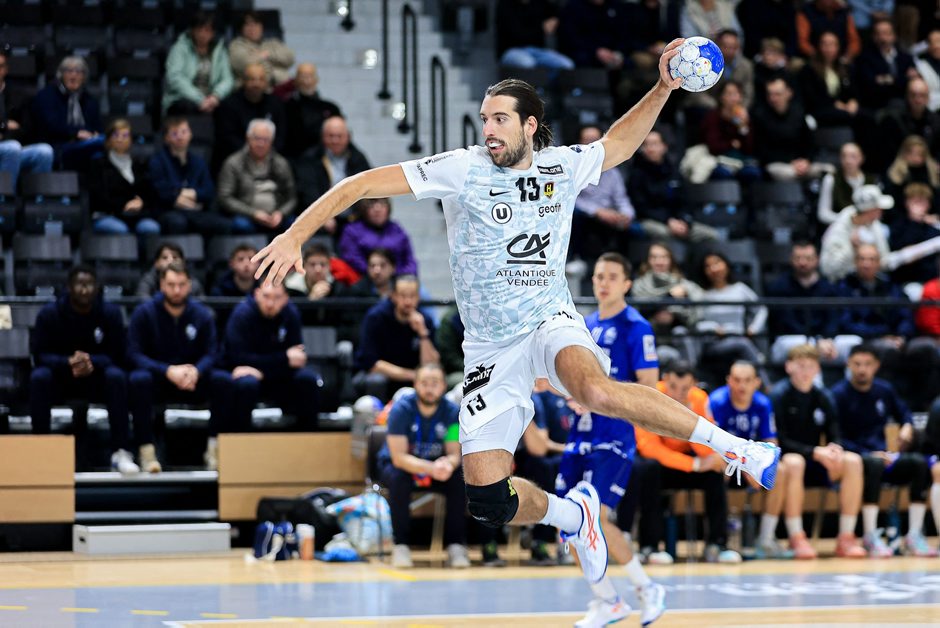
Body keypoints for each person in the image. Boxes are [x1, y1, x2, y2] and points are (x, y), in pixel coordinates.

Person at [252, 53, 782, 599]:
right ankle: (573, 516)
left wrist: (663, 86)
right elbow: (359, 185)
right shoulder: (461, 168)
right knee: (488, 500)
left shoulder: (561, 166)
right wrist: (294, 235)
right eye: (484, 119)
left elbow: (619, 144)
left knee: (594, 390)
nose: (489, 129)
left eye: (500, 119)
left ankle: (737, 447)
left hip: (549, 317)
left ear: (530, 125)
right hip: (489, 347)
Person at [556, 253, 666, 627]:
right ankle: (607, 600)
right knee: (569, 522)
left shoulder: (636, 327)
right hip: (580, 432)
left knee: (597, 518)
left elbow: (648, 385)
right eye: (599, 276)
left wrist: (601, 396)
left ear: (627, 284)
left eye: (612, 276)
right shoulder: (584, 324)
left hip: (614, 434)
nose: (603, 283)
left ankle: (646, 588)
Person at [29, 266, 140, 474]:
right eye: (79, 284)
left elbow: (119, 354)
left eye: (89, 284)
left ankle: (121, 452)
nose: (84, 289)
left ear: (97, 287)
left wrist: (91, 362)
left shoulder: (110, 313)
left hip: (96, 378)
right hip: (62, 377)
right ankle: (40, 448)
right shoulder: (50, 313)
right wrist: (68, 362)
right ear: (69, 287)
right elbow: (40, 354)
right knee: (39, 378)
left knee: (117, 377)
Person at [829, 344, 937, 557]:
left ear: (876, 366)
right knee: (874, 464)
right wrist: (867, 454)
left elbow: (904, 413)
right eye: (857, 364)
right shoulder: (838, 394)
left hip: (884, 456)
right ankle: (870, 534)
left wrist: (907, 426)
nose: (862, 369)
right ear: (848, 364)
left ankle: (914, 534)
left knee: (919, 463)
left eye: (867, 364)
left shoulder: (884, 390)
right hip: (855, 459)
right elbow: (837, 438)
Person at [127, 262, 232, 471]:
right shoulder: (144, 313)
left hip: (192, 380)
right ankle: (146, 452)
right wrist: (167, 371)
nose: (176, 290)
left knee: (222, 380)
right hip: (159, 378)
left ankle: (214, 450)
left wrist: (197, 371)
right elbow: (133, 354)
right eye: (171, 285)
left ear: (189, 285)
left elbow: (213, 353)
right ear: (161, 285)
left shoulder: (202, 314)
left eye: (181, 285)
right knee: (138, 380)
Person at [632, 359, 737, 563]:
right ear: (664, 380)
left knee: (715, 470)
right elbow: (649, 449)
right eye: (673, 387)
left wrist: (690, 422)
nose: (677, 394)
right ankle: (649, 547)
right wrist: (695, 465)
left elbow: (707, 447)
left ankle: (717, 544)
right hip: (660, 465)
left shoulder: (699, 399)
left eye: (685, 388)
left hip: (686, 461)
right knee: (648, 469)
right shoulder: (650, 396)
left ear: (694, 384)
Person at [769, 344, 867, 558]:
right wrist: (814, 452)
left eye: (810, 366)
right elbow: (780, 441)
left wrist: (834, 448)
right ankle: (796, 537)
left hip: (817, 460)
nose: (805, 372)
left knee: (853, 461)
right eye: (801, 366)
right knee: (794, 462)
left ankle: (846, 537)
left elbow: (834, 432)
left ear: (817, 370)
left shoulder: (823, 396)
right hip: (792, 461)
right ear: (789, 367)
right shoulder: (779, 395)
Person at [377, 363, 469, 569]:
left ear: (443, 386)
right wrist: (430, 468)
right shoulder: (401, 410)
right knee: (399, 478)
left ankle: (456, 546)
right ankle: (401, 545)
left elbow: (454, 453)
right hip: (402, 466)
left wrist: (448, 464)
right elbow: (399, 457)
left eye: (434, 383)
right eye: (424, 383)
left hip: (437, 468)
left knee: (458, 479)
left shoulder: (452, 412)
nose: (429, 389)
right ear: (415, 385)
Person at [710, 361, 799, 560]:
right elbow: (712, 444)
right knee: (715, 469)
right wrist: (744, 467)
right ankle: (719, 541)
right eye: (737, 380)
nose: (742, 386)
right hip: (725, 462)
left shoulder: (763, 404)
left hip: (750, 462)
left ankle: (766, 538)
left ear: (756, 382)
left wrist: (755, 466)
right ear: (728, 381)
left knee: (779, 470)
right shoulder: (717, 402)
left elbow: (771, 443)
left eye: (747, 380)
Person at [224, 281, 321, 432]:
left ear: (286, 298)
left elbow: (297, 358)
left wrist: (263, 370)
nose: (270, 303)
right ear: (256, 294)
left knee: (307, 379)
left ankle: (305, 437)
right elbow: (237, 358)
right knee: (246, 384)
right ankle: (240, 439)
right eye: (266, 296)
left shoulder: (291, 313)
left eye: (277, 297)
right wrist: (283, 359)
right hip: (252, 375)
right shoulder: (242, 314)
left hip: (275, 374)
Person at [765, 241, 854, 365]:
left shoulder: (828, 287)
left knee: (854, 343)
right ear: (791, 259)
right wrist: (816, 342)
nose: (803, 263)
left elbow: (833, 319)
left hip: (825, 341)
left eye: (808, 258)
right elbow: (786, 323)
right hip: (793, 339)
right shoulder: (779, 287)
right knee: (792, 344)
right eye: (798, 258)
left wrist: (827, 339)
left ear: (817, 260)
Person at [353, 274, 439, 402]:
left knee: (432, 379)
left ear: (418, 297)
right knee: (376, 380)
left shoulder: (425, 320)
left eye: (412, 296)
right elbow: (372, 364)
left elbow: (430, 365)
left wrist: (423, 334)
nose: (408, 301)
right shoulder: (376, 317)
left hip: (413, 379)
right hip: (381, 377)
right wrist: (413, 375)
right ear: (393, 296)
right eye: (403, 296)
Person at [628, 130, 719, 246]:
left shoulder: (673, 171)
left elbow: (685, 201)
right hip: (651, 221)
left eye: (654, 144)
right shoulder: (636, 174)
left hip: (678, 221)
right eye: (646, 145)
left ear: (664, 146)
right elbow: (641, 207)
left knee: (711, 235)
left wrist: (684, 221)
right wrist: (668, 220)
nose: (650, 148)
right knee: (664, 234)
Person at [148, 116, 232, 237]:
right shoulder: (158, 161)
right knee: (177, 222)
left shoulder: (198, 161)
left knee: (223, 224)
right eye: (175, 133)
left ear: (190, 134)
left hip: (195, 211)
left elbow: (208, 191)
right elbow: (161, 191)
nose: (180, 137)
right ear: (166, 138)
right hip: (168, 211)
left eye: (184, 132)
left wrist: (185, 194)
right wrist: (183, 197)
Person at [570, 125, 638, 263]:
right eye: (587, 141)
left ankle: (623, 266)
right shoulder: (571, 169)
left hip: (611, 217)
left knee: (633, 229)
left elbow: (621, 199)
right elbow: (571, 199)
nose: (591, 145)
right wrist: (597, 211)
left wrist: (626, 214)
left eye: (595, 141)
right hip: (586, 216)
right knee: (577, 216)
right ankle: (577, 260)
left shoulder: (613, 172)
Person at [217, 118, 296, 234]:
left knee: (296, 224)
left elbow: (292, 198)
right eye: (257, 138)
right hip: (246, 215)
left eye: (265, 139)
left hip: (276, 215)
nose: (261, 144)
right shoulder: (233, 163)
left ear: (272, 141)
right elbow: (225, 197)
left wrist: (281, 213)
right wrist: (253, 213)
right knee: (240, 225)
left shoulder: (281, 163)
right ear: (248, 138)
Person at [88, 118, 161, 236]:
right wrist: (125, 205)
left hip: (136, 215)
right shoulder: (99, 164)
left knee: (150, 228)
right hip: (108, 214)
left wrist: (141, 202)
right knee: (120, 230)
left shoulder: (139, 164)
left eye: (125, 135)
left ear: (131, 140)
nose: (120, 139)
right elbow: (99, 196)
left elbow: (149, 193)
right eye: (116, 135)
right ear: (108, 139)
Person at [751, 78, 832, 182]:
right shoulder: (760, 116)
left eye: (777, 94)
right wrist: (791, 162)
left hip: (801, 163)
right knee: (788, 174)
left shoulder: (798, 113)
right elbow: (762, 151)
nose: (773, 98)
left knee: (830, 171)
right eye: (770, 94)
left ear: (789, 93)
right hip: (777, 164)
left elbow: (810, 143)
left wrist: (806, 160)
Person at [31, 56, 103, 169]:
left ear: (84, 77)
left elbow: (97, 127)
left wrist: (94, 134)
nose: (73, 76)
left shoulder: (90, 100)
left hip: (85, 144)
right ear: (61, 75)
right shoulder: (47, 96)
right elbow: (51, 126)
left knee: (104, 145)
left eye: (78, 72)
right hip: (57, 145)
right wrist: (76, 133)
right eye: (69, 71)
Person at [213, 63, 286, 173]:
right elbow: (227, 138)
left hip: (270, 158)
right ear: (244, 81)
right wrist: (254, 153)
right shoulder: (229, 105)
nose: (256, 84)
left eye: (261, 79)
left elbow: (281, 136)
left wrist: (265, 153)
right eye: (252, 79)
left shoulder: (276, 104)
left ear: (266, 83)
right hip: (238, 159)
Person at [294, 115, 371, 215]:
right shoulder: (311, 158)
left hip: (354, 216)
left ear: (348, 137)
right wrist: (322, 214)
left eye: (339, 136)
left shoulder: (357, 158)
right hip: (321, 216)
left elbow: (367, 185)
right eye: (330, 136)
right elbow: (308, 192)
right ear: (322, 136)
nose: (335, 141)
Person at [0, 50, 53, 188]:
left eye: (0, 66)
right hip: (9, 148)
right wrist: (4, 125)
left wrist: (6, 134)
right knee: (12, 148)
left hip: (13, 146)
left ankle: (37, 199)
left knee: (44, 152)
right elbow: (10, 126)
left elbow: (26, 129)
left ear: (6, 69)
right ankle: (5, 197)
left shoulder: (18, 96)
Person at [162, 11, 232, 115]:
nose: (203, 34)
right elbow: (174, 77)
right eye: (199, 29)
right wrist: (199, 99)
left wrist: (215, 96)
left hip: (211, 98)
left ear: (213, 33)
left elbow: (228, 79)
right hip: (183, 97)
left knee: (230, 107)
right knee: (187, 107)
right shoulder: (180, 48)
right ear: (193, 30)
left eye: (207, 30)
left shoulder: (220, 51)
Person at [339, 197, 418, 276]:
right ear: (363, 208)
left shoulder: (396, 229)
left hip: (398, 277)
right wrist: (378, 272)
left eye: (382, 203)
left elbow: (410, 260)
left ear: (388, 208)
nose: (377, 208)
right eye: (371, 203)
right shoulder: (352, 230)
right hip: (366, 278)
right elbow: (352, 259)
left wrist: (402, 275)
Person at [283, 63, 343, 159]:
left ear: (316, 80)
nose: (306, 81)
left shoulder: (330, 108)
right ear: (295, 80)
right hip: (294, 159)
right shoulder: (285, 108)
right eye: (303, 76)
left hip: (324, 159)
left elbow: (342, 137)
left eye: (310, 76)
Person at [495, 0, 574, 71]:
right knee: (527, 63)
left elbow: (557, 12)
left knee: (566, 64)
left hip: (537, 50)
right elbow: (517, 35)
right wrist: (541, 29)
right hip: (511, 50)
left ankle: (545, 83)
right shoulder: (505, 4)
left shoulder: (539, 2)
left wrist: (554, 20)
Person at [228, 10, 295, 89]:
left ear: (262, 27)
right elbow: (247, 65)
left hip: (278, 90)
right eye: (248, 25)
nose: (252, 28)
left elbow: (290, 58)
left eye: (256, 24)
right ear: (242, 29)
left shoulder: (272, 43)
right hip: (251, 90)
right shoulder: (236, 45)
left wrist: (266, 55)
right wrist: (275, 68)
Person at [816, 142, 878, 226]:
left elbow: (876, 211)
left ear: (861, 158)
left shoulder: (870, 180)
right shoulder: (831, 179)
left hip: (865, 226)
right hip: (839, 226)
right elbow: (823, 214)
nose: (848, 161)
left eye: (853, 156)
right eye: (844, 156)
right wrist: (848, 220)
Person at [135, 241, 206, 298]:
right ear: (156, 263)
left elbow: (205, 308)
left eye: (175, 257)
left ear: (183, 262)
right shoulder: (148, 281)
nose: (170, 261)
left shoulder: (193, 283)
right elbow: (142, 301)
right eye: (165, 258)